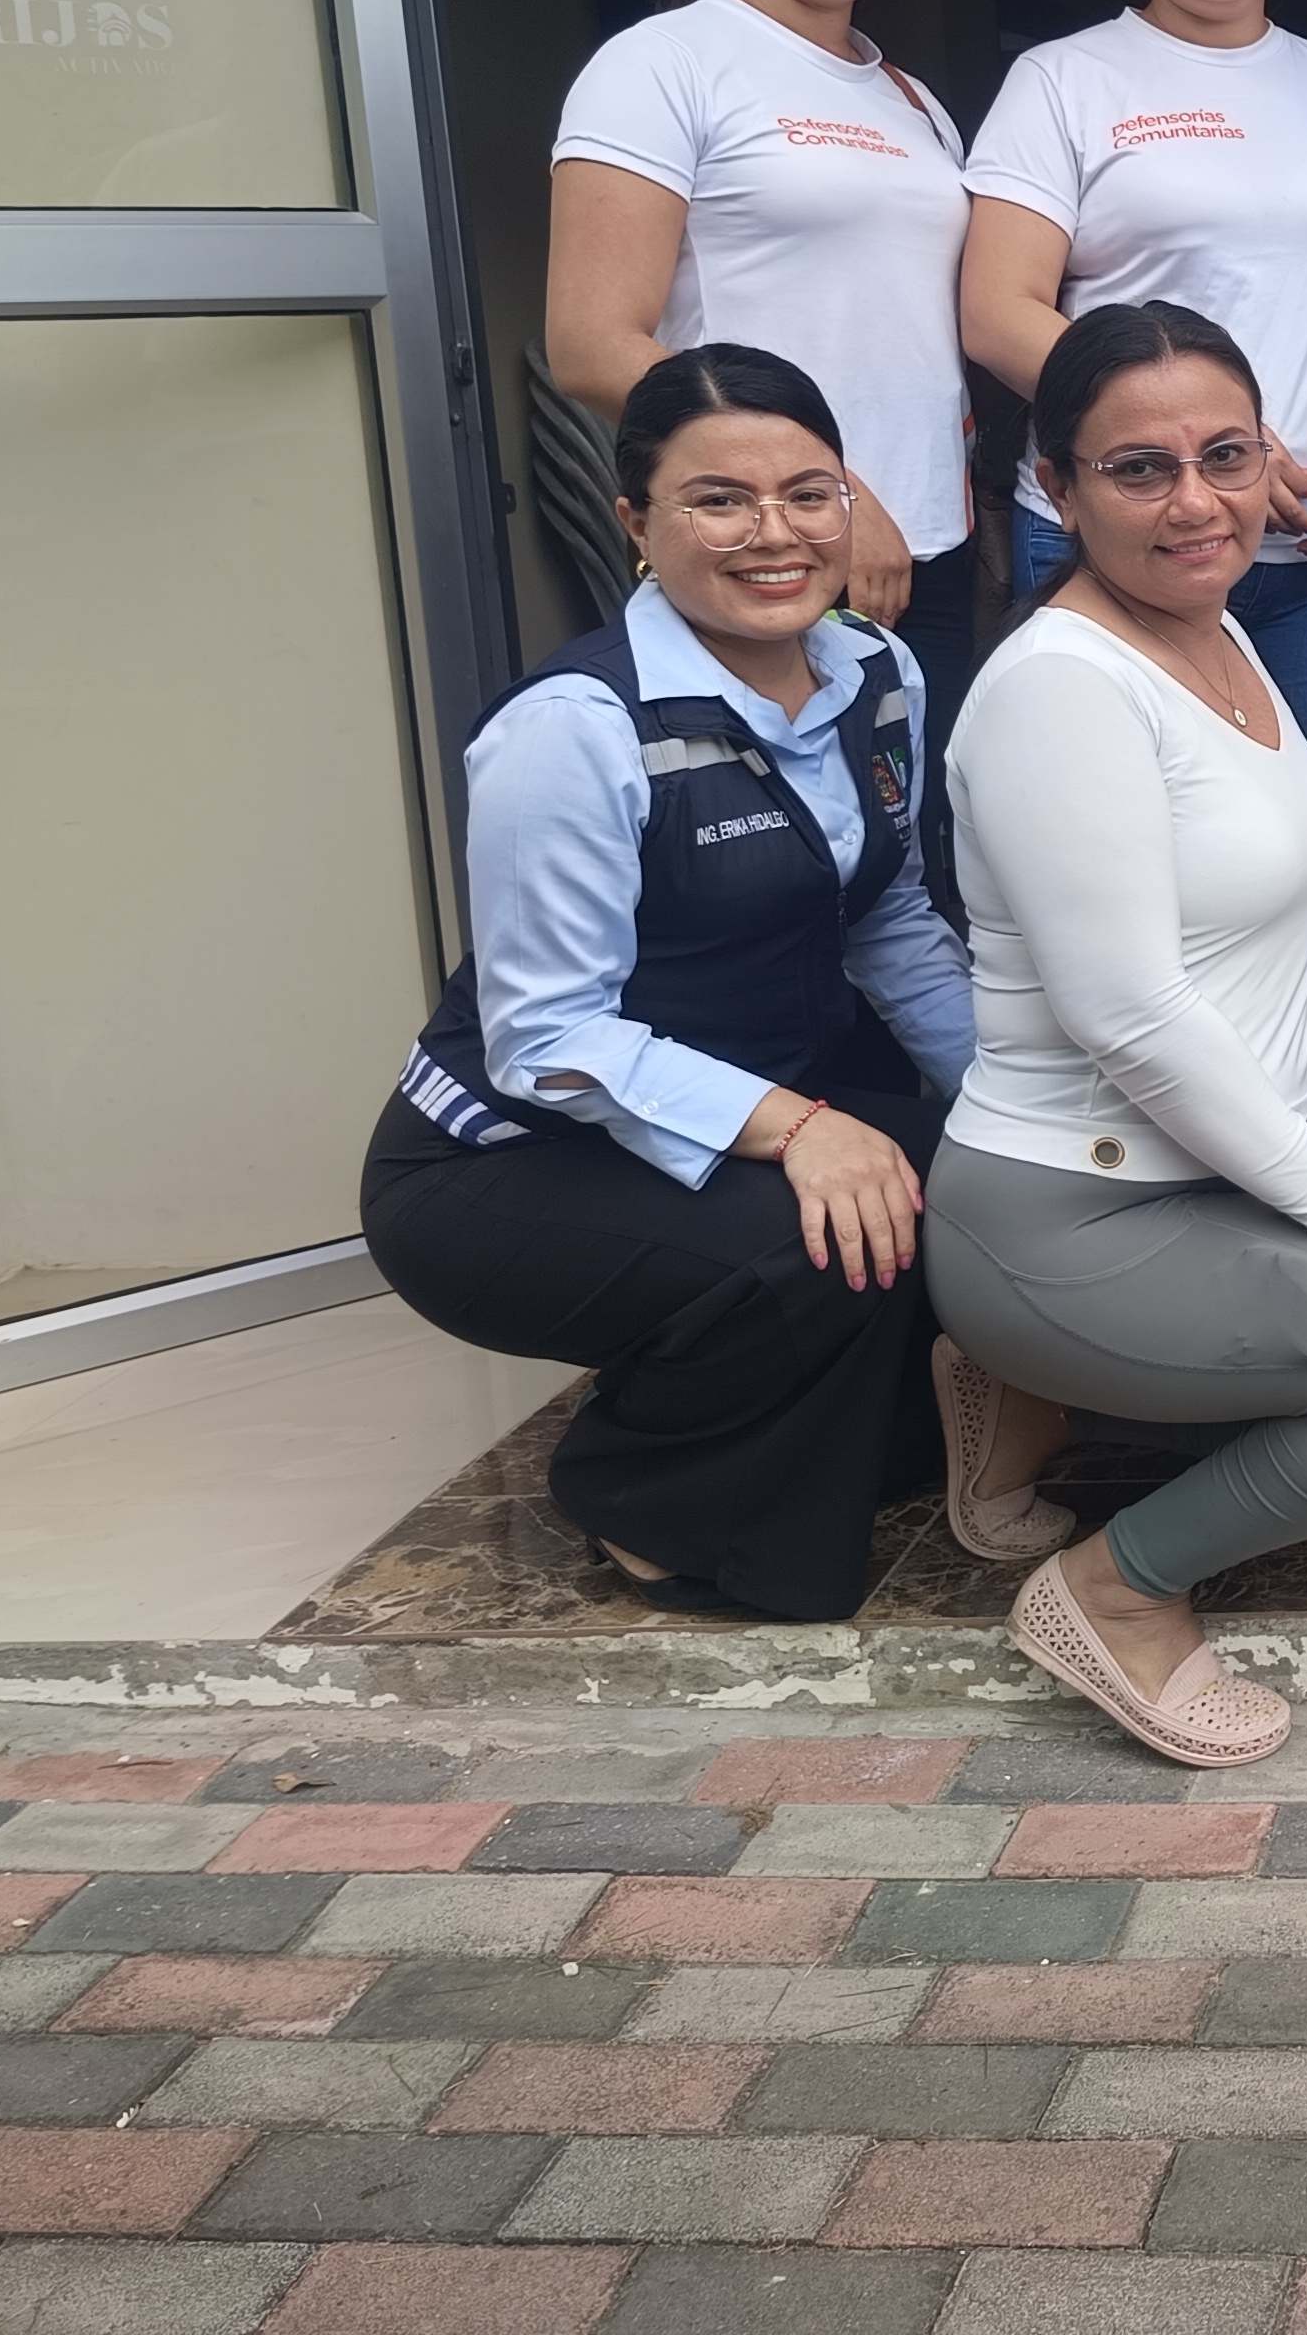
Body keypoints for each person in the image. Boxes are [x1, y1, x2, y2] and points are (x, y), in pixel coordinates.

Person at [927, 302, 1307, 1768]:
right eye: (1139, 470)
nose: (1197, 503)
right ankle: (1113, 1589)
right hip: (1072, 1210)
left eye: (1225, 456)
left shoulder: (1213, 638)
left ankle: (1039, 1402)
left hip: (1219, 1178)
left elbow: (1282, 959)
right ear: (1058, 488)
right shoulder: (1058, 689)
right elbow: (1129, 1014)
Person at [359, 346, 1063, 1622]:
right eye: (719, 500)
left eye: (808, 493)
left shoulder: (880, 674)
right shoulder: (574, 728)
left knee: (987, 1181)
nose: (774, 534)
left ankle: (839, 1434)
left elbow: (888, 919)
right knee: (828, 1245)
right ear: (637, 523)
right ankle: (638, 1495)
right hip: (503, 1159)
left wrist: (1016, 1102)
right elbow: (546, 1039)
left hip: (737, 1111)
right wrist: (800, 1128)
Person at [545, 0, 977, 870]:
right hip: (770, 551)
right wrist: (831, 496)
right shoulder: (662, 66)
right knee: (776, 875)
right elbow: (590, 341)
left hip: (925, 552)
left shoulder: (914, 101)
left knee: (916, 874)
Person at [958, 0, 1307, 801]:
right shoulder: (1063, 81)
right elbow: (996, 311)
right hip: (1118, 543)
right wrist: (1209, 440)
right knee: (1109, 834)